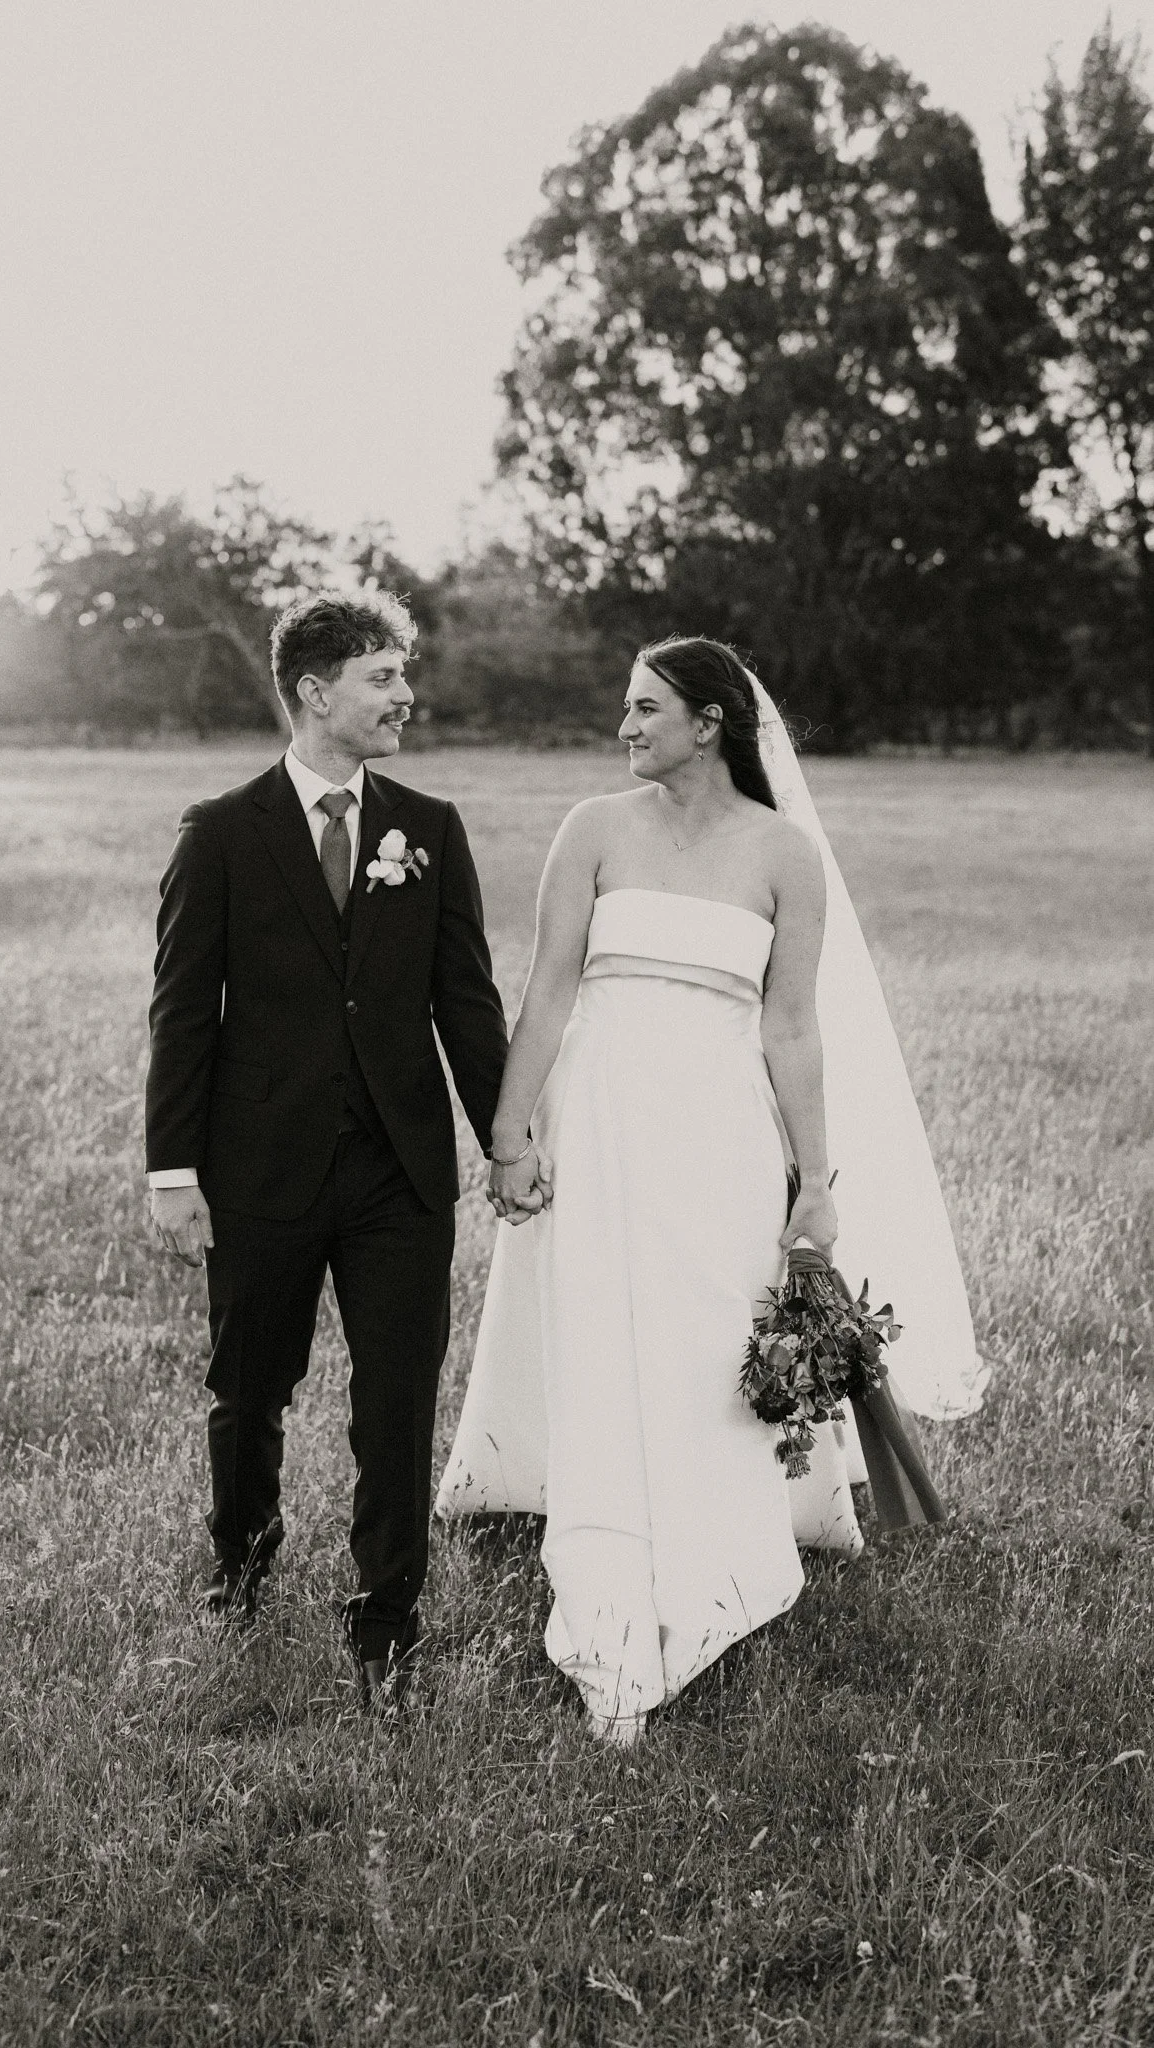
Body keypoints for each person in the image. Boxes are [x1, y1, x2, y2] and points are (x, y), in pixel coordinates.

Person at [437, 636, 985, 1746]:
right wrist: (507, 1129)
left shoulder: (782, 852)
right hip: (596, 1117)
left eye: (646, 708)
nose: (625, 727)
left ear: (710, 721)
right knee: (599, 1325)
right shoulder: (591, 829)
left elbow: (792, 1024)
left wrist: (816, 1179)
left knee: (704, 1335)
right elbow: (543, 992)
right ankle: (605, 1547)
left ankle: (717, 1548)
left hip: (722, 1132)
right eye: (626, 710)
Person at [145, 589, 509, 1710]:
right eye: (384, 676)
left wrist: (506, 1138)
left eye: (404, 675)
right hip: (261, 1169)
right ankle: (240, 1567)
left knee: (397, 1397)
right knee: (249, 1387)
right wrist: (173, 1171)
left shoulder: (429, 828)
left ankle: (387, 1610)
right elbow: (181, 1012)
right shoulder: (220, 831)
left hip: (401, 1169)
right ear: (314, 690)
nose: (409, 695)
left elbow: (466, 1001)